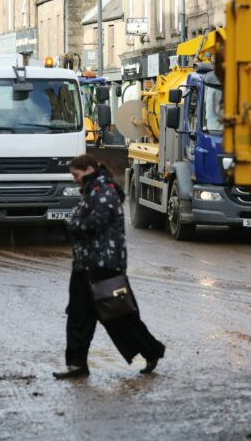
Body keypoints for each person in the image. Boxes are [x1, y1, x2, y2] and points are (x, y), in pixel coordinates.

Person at [53, 154, 166, 379]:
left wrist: (71, 225)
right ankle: (76, 366)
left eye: (76, 175)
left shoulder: (104, 189)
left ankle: (152, 351)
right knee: (78, 315)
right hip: (84, 265)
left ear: (88, 170)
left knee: (119, 315)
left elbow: (97, 222)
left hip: (104, 266)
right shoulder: (92, 189)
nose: (74, 180)